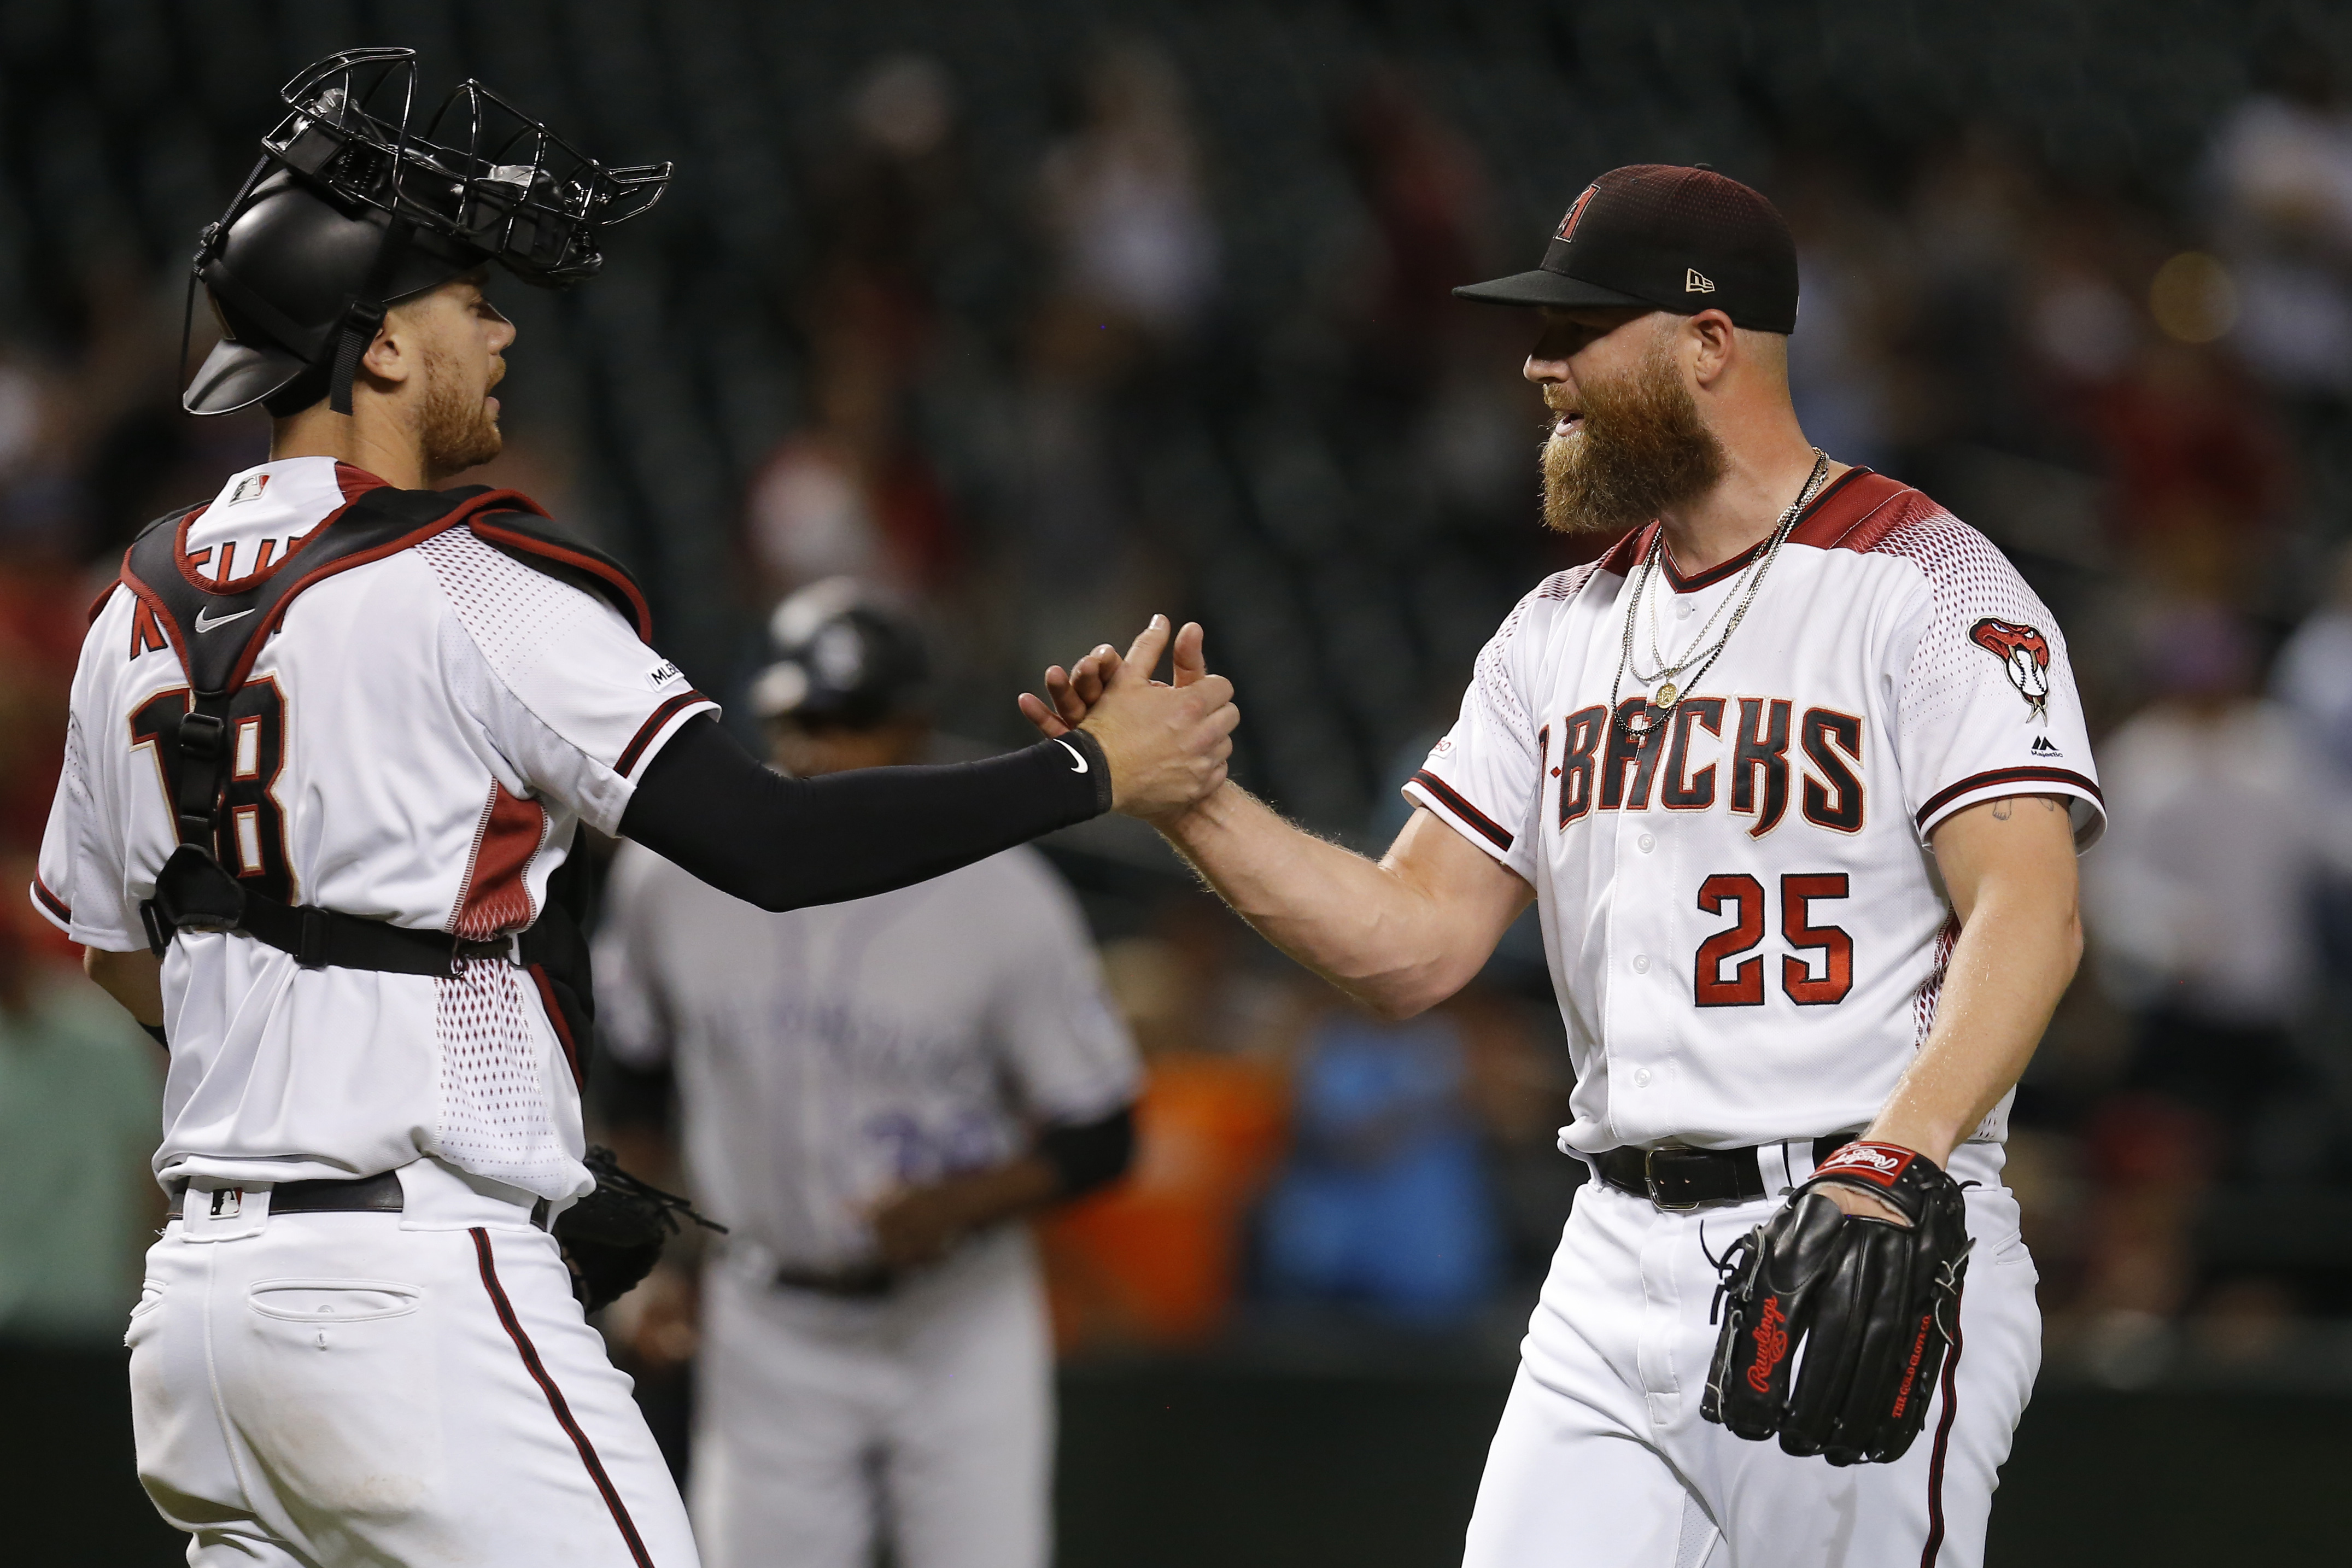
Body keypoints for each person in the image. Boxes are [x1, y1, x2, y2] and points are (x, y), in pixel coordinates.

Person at [32, 49, 1233, 1568]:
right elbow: (771, 843)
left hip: (201, 1330)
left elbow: (117, 953)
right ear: (382, 348)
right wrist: (1094, 770)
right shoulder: (467, 587)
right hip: (418, 1299)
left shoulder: (123, 607)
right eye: (468, 301)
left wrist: (317, 1063)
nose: (500, 328)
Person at [1027, 163, 2102, 1567]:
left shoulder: (1933, 584)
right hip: (1610, 1262)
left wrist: (1896, 1158)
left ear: (1711, 342)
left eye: (1580, 327)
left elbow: (2032, 910)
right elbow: (1415, 941)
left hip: (1851, 1236)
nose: (1538, 363)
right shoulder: (1556, 629)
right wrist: (1186, 803)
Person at [594, 581, 1142, 1568]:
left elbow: (1103, 1131)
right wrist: (657, 1256)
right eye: (800, 720)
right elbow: (635, 1078)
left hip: (956, 1325)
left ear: (915, 728)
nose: (820, 750)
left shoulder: (1008, 897)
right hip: (768, 1324)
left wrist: (967, 1200)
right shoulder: (667, 878)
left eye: (852, 722)